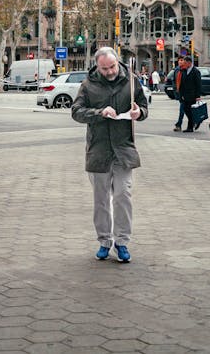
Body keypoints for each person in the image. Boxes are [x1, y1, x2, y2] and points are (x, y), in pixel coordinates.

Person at [71, 47, 148, 263]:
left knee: (123, 195)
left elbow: (143, 106)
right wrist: (99, 112)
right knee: (101, 200)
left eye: (112, 66)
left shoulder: (131, 81)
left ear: (117, 62)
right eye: (105, 68)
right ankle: (104, 241)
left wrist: (138, 112)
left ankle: (122, 242)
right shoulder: (88, 84)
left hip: (124, 150)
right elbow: (76, 111)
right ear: (98, 66)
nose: (110, 71)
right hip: (99, 150)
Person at [177, 55, 202, 132]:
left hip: (193, 95)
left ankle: (190, 127)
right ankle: (195, 122)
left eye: (185, 63)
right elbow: (182, 84)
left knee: (190, 110)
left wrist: (198, 96)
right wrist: (180, 95)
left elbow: (198, 84)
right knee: (186, 109)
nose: (183, 64)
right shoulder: (184, 71)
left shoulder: (195, 71)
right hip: (185, 95)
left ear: (189, 63)